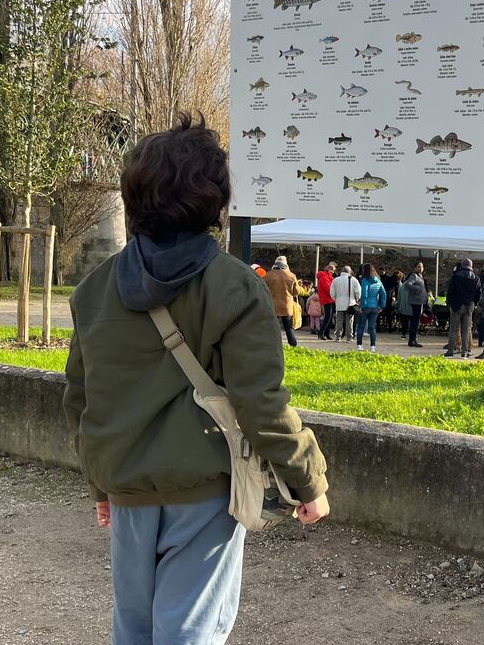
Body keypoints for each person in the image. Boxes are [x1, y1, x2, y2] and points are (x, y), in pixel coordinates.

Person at [62, 113, 329, 644]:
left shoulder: (95, 289)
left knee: (133, 631)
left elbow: (81, 399)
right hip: (204, 491)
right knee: (190, 632)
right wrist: (307, 482)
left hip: (126, 489)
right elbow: (261, 403)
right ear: (215, 199)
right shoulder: (233, 286)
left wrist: (100, 483)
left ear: (134, 197)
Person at [446, 258, 480, 358]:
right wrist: (474, 303)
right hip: (468, 306)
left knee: (453, 329)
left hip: (456, 305)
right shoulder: (475, 277)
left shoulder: (455, 276)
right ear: (471, 266)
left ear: (462, 265)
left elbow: (450, 290)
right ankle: (464, 352)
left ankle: (450, 352)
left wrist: (450, 303)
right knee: (466, 330)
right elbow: (478, 293)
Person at [263, 256, 299, 347]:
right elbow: (296, 292)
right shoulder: (291, 276)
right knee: (288, 327)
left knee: (272, 326)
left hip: (272, 305)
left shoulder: (268, 275)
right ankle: (293, 343)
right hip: (286, 305)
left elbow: (263, 289)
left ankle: (272, 343)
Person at [356, 263, 386, 352]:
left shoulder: (365, 280)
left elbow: (364, 294)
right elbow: (383, 294)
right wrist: (382, 306)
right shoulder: (379, 281)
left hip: (366, 306)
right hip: (375, 307)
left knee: (361, 326)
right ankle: (373, 346)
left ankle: (359, 345)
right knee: (372, 328)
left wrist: (362, 306)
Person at [330, 265, 361, 342]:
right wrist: (356, 299)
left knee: (339, 321)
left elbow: (332, 293)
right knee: (349, 321)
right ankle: (349, 337)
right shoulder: (354, 280)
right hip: (350, 303)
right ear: (349, 272)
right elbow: (358, 292)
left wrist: (335, 299)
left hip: (339, 303)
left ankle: (338, 337)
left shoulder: (336, 280)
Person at [404, 262, 428, 347]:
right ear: (415, 268)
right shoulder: (414, 276)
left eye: (421, 267)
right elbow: (407, 284)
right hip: (415, 301)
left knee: (416, 320)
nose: (420, 268)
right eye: (418, 267)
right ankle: (412, 340)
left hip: (419, 301)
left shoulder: (420, 276)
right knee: (415, 321)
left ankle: (413, 339)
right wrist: (416, 288)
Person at [316, 262, 337, 340]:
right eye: (333, 270)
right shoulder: (325, 278)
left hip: (329, 299)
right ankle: (321, 332)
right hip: (327, 299)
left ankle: (326, 333)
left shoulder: (326, 277)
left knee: (329, 317)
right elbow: (328, 289)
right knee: (328, 317)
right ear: (329, 270)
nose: (334, 272)